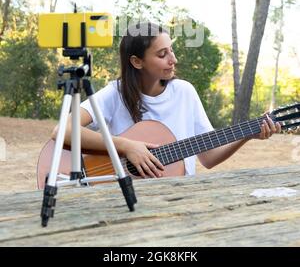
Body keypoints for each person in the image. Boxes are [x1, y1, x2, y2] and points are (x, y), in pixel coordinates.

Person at [52, 22, 281, 178]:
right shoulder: (115, 94)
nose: (173, 59)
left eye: (171, 50)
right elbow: (63, 129)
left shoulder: (185, 92)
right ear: (137, 62)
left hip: (179, 199)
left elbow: (209, 158)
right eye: (162, 54)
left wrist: (248, 134)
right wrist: (127, 146)